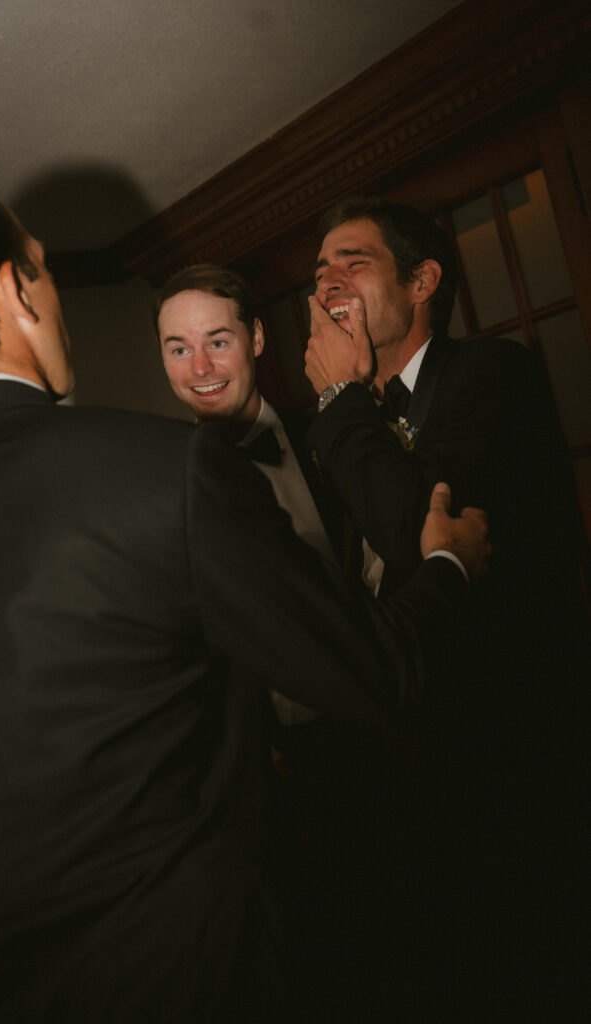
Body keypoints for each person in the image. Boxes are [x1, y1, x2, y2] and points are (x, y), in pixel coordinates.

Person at [0, 164, 490, 1024]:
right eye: (47, 267)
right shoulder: (161, 475)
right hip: (198, 975)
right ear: (14, 293)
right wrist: (449, 565)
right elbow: (374, 669)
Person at [304, 195, 589, 1017]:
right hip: (392, 762)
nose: (326, 283)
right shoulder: (334, 422)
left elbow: (413, 531)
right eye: (318, 269)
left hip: (504, 755)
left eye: (351, 262)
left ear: (422, 280)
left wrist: (338, 406)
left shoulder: (490, 377)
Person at [156, 263, 343, 726]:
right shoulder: (157, 486)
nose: (200, 368)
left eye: (218, 343)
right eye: (180, 349)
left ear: (256, 339)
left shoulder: (332, 441)